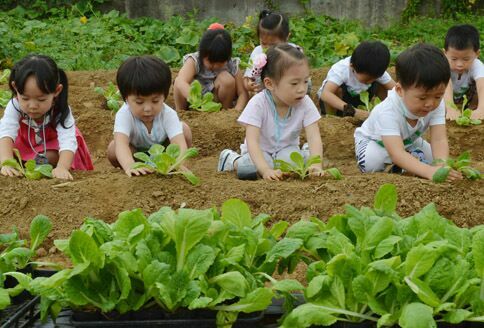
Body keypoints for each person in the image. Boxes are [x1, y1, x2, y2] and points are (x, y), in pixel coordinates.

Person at [354, 44, 462, 182]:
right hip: (374, 143)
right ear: (399, 90)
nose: (430, 103)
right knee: (372, 163)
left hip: (409, 142)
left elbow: (439, 139)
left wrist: (441, 167)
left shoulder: (436, 104)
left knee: (434, 159)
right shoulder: (388, 111)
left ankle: (407, 164)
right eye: (422, 97)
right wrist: (429, 172)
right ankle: (406, 165)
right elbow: (396, 153)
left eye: (438, 96)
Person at [217, 44, 323, 181]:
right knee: (249, 168)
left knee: (292, 164)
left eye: (305, 81)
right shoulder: (258, 103)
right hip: (259, 151)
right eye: (294, 83)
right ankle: (231, 160)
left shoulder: (305, 102)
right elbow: (252, 141)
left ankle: (307, 153)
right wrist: (265, 170)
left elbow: (314, 136)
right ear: (270, 84)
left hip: (287, 149)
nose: (302, 89)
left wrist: (316, 164)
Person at [0, 54, 93, 180]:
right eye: (25, 98)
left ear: (57, 91)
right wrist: (6, 162)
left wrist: (62, 167)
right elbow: (6, 132)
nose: (32, 106)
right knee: (4, 149)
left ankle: (32, 164)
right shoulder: (15, 105)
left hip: (52, 146)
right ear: (16, 88)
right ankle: (23, 162)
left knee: (49, 156)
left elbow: (67, 141)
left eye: (41, 99)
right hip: (25, 144)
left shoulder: (61, 110)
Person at [107, 55, 192, 177]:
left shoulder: (168, 114)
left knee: (184, 130)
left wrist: (179, 163)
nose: (147, 109)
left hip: (164, 153)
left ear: (164, 96)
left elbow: (178, 143)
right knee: (113, 148)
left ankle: (176, 165)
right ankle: (138, 169)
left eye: (155, 101)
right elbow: (121, 144)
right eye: (139, 102)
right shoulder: (124, 114)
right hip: (136, 153)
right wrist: (130, 166)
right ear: (125, 98)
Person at [173, 25, 248, 111]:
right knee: (178, 82)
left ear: (227, 58)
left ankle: (225, 112)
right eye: (211, 62)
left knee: (227, 80)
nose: (214, 66)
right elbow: (181, 81)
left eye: (219, 63)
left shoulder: (232, 64)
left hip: (215, 103)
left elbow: (243, 93)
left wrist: (236, 111)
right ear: (202, 53)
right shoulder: (194, 60)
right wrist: (195, 100)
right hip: (193, 102)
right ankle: (181, 113)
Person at [318, 40, 396, 118]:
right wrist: (353, 111)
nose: (370, 82)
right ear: (352, 66)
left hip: (359, 102)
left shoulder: (376, 70)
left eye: (374, 78)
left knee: (382, 85)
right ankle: (332, 119)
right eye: (366, 80)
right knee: (336, 90)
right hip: (339, 105)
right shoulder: (342, 69)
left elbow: (396, 90)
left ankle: (388, 112)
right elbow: (325, 94)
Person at [243, 10, 301, 94]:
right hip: (264, 96)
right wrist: (248, 84)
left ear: (287, 37)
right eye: (264, 43)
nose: (268, 48)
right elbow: (248, 77)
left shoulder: (293, 52)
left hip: (289, 95)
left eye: (273, 45)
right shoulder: (258, 52)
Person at [443, 24, 484, 120]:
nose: (459, 64)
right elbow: (445, 83)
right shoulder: (443, 64)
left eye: (466, 59)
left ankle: (473, 110)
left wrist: (482, 109)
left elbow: (482, 85)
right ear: (445, 53)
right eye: (454, 59)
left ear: (477, 54)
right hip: (444, 99)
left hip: (467, 99)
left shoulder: (477, 65)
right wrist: (450, 108)